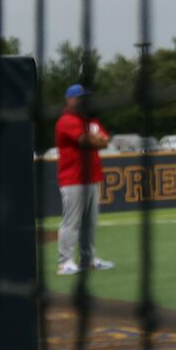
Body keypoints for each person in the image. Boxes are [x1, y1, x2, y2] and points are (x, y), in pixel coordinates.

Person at [55, 83, 113, 276]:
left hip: (92, 178)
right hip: (73, 179)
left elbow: (105, 140)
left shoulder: (91, 120)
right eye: (81, 98)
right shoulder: (67, 120)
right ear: (71, 100)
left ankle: (88, 260)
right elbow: (86, 141)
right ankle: (64, 263)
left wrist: (95, 139)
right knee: (71, 222)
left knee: (90, 222)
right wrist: (95, 139)